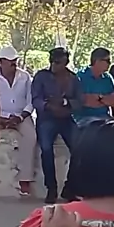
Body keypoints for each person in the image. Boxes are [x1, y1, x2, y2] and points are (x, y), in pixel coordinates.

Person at [32, 48, 82, 203]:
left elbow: (79, 101)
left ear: (66, 62)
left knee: (79, 150)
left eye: (59, 62)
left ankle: (70, 188)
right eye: (53, 62)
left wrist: (65, 103)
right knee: (46, 149)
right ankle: (51, 188)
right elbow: (35, 99)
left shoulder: (73, 79)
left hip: (66, 118)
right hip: (47, 118)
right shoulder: (41, 76)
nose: (55, 65)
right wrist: (49, 106)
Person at [0, 45, 36, 195]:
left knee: (31, 137)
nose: (14, 64)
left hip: (20, 116)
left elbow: (31, 100)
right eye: (10, 61)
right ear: (2, 61)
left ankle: (25, 179)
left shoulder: (25, 77)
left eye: (15, 61)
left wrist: (21, 116)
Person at [75, 48, 114, 121]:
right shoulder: (81, 76)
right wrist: (106, 100)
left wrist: (99, 98)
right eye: (107, 61)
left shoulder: (107, 78)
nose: (110, 63)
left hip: (105, 118)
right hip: (84, 119)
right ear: (97, 61)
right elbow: (81, 100)